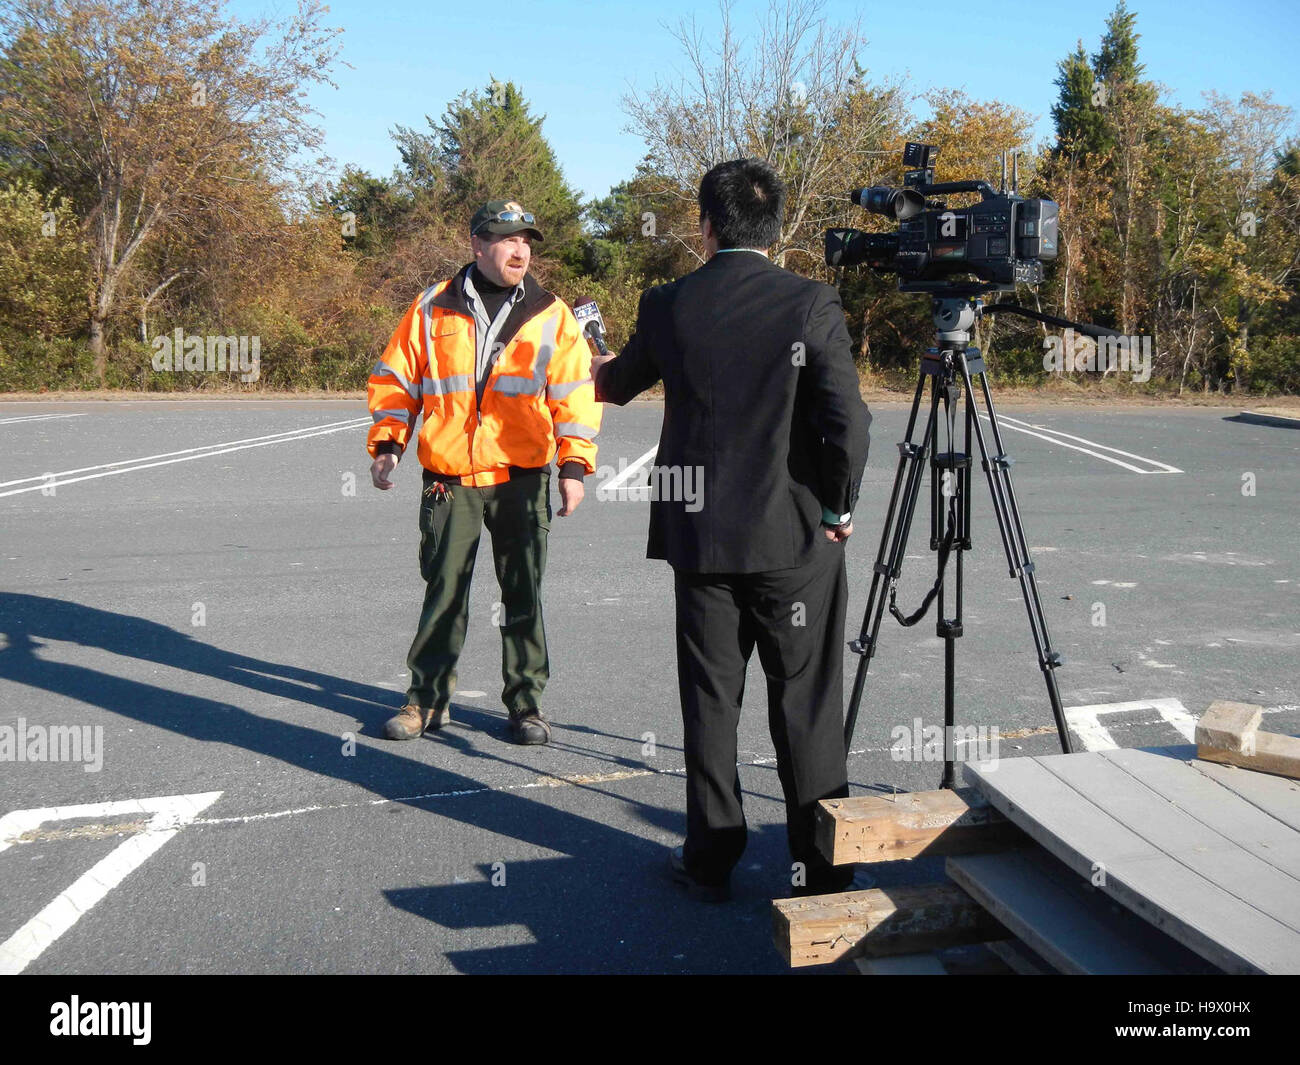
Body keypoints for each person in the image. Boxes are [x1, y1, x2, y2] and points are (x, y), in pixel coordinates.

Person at [592, 159, 871, 899]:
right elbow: (849, 422)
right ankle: (821, 872)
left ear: (707, 225)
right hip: (794, 541)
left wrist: (595, 351)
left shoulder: (669, 304)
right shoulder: (810, 302)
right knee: (805, 704)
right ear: (773, 229)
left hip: (703, 541)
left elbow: (613, 384)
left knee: (711, 701)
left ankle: (711, 857)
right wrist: (838, 508)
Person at [367, 200, 601, 746]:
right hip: (450, 479)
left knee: (524, 593)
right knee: (443, 592)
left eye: (526, 241)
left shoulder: (551, 314)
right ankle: (426, 700)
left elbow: (574, 394)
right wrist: (388, 443)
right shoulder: (432, 306)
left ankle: (526, 704)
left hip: (522, 477)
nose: (520, 250)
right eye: (507, 239)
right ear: (477, 245)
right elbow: (396, 378)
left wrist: (573, 465)